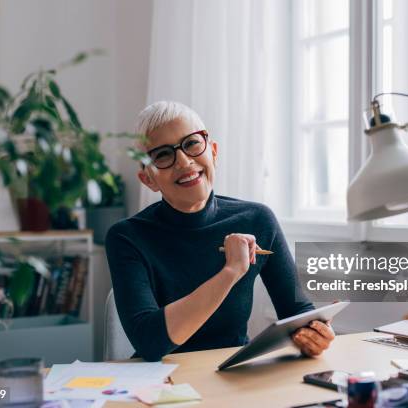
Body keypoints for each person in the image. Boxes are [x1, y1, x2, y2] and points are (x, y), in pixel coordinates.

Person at [105, 101, 334, 361]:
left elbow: (298, 313)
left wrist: (313, 335)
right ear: (148, 178)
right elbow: (149, 343)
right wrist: (230, 272)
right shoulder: (127, 237)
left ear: (213, 152)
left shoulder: (257, 219)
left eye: (191, 143)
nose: (184, 161)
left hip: (231, 375)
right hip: (160, 385)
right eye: (163, 155)